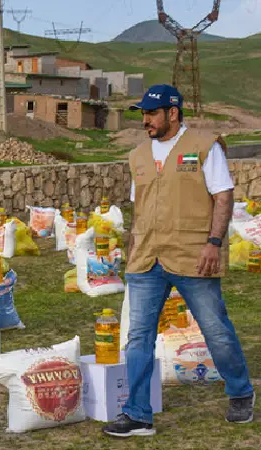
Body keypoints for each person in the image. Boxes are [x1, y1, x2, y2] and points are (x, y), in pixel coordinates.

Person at [103, 85, 255, 438]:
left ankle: (240, 392)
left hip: (193, 255)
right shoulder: (138, 155)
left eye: (151, 113)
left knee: (215, 329)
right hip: (146, 260)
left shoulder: (204, 147)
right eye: (142, 114)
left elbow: (223, 195)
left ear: (173, 113)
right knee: (138, 337)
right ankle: (138, 414)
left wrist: (214, 243)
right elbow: (139, 205)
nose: (145, 121)